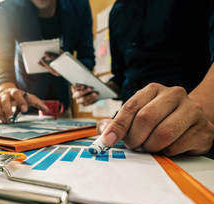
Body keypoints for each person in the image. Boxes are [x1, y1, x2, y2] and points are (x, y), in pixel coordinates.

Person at [76, 0, 214, 156]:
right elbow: (121, 79)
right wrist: (98, 90)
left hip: (185, 135)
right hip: (128, 134)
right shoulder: (117, 11)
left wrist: (200, 117)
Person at [0, 0, 95, 122]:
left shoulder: (80, 5)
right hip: (24, 106)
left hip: (62, 107)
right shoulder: (8, 8)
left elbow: (87, 56)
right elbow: (2, 57)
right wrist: (6, 89)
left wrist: (68, 67)